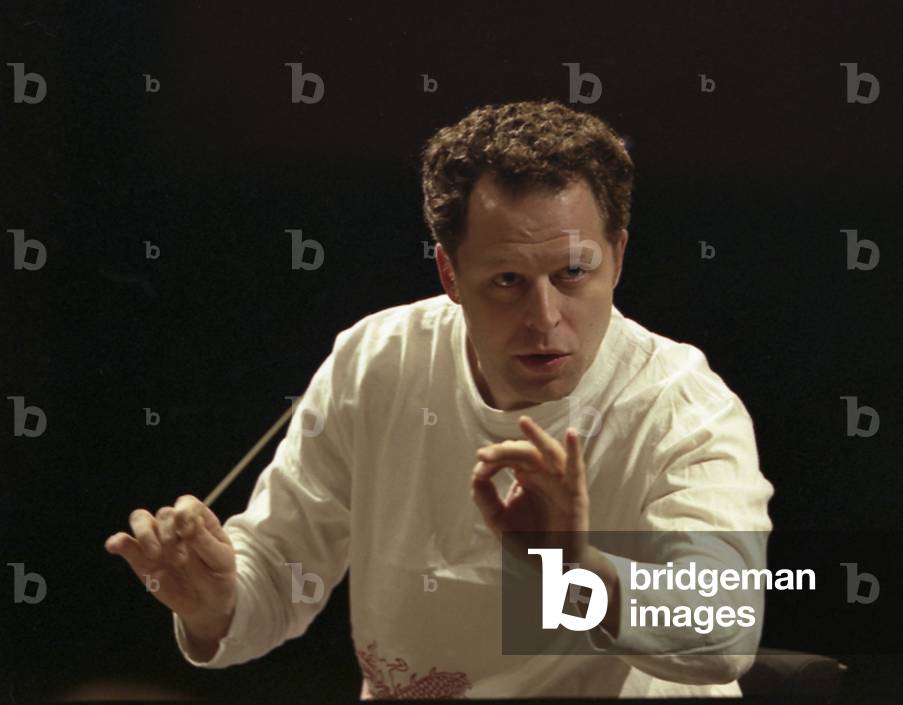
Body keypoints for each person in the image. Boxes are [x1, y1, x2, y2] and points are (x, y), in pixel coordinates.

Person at [104, 100, 775, 698]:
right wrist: (215, 601)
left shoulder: (682, 407)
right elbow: (279, 576)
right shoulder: (379, 360)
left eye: (572, 273)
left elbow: (724, 634)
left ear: (617, 257)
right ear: (450, 273)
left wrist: (575, 568)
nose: (545, 317)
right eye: (508, 280)